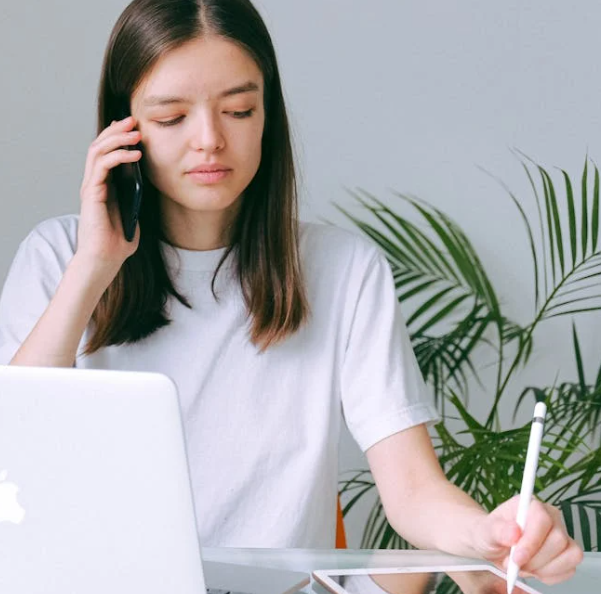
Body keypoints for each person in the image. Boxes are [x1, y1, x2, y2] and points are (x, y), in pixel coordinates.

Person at [0, 0, 582, 585]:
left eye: (238, 109)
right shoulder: (58, 258)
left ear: (267, 116)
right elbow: (13, 456)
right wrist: (92, 269)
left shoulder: (344, 270)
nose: (209, 140)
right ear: (122, 130)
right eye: (171, 118)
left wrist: (487, 535)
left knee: (408, 573)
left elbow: (413, 490)